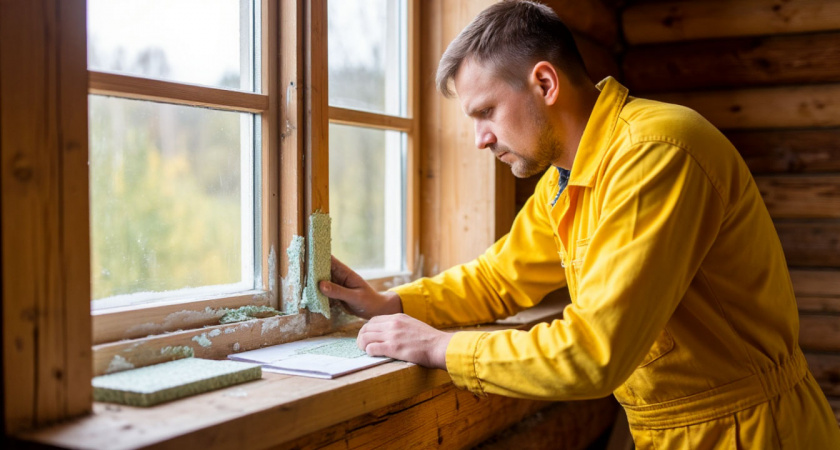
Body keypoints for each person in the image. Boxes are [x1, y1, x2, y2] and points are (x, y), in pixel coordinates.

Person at [318, 1, 840, 447]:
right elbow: (499, 278)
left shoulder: (656, 152)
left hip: (752, 433)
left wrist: (438, 347)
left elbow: (595, 352)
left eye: (487, 112)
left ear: (544, 82)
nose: (480, 139)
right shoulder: (565, 180)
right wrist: (396, 304)